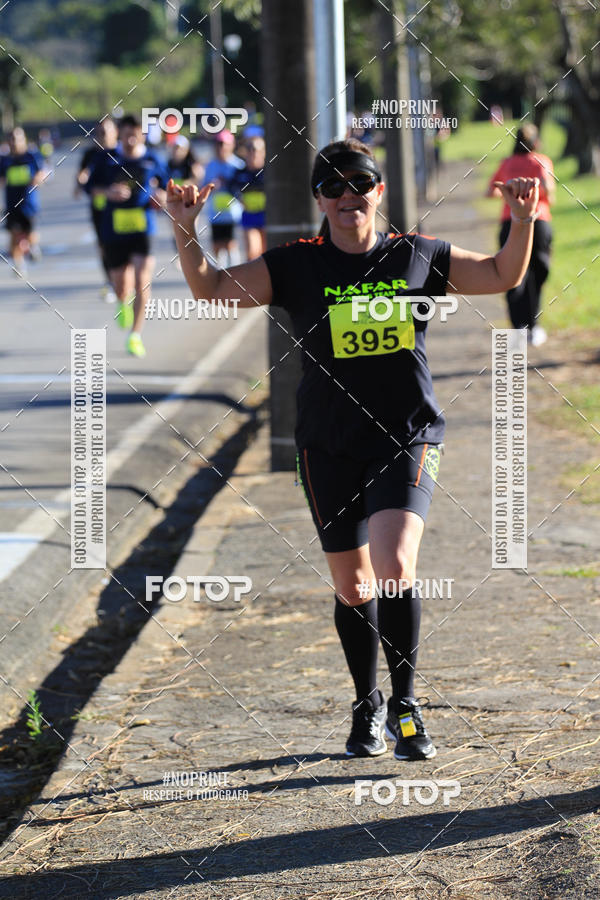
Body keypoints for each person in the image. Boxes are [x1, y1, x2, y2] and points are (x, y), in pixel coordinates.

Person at [168, 138, 539, 761]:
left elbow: (504, 274)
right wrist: (187, 230)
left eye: (359, 184)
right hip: (327, 444)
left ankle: (406, 705)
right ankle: (365, 704)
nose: (348, 197)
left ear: (378, 192)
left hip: (406, 436)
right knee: (354, 587)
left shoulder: (418, 256)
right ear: (319, 198)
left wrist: (523, 222)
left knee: (395, 567)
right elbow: (210, 289)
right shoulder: (294, 265)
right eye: (333, 187)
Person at [86, 114, 168, 357]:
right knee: (122, 285)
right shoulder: (106, 159)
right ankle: (123, 301)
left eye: (136, 132)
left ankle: (135, 335)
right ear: (120, 134)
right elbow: (89, 187)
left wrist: (161, 197)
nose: (131, 137)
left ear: (142, 134)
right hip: (114, 229)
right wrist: (108, 192)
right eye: (127, 132)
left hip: (143, 227)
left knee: (143, 280)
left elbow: (166, 187)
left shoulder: (152, 159)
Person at [487, 124, 554, 346]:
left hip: (510, 224)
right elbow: (549, 193)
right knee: (536, 274)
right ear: (535, 142)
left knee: (511, 275)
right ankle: (534, 327)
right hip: (539, 222)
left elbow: (491, 191)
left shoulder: (506, 163)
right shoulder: (541, 161)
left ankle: (518, 329)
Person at [76, 118, 119, 302]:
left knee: (123, 244)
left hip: (122, 208)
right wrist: (80, 182)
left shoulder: (121, 152)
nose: (101, 136)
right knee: (104, 246)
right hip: (100, 209)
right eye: (98, 133)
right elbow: (82, 176)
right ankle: (110, 281)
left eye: (105, 132)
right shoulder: (90, 155)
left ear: (115, 132)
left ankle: (126, 281)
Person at [0, 127, 46, 274]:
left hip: (29, 204)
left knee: (31, 234)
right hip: (11, 204)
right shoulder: (5, 160)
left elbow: (42, 174)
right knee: (13, 234)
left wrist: (37, 179)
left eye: (17, 139)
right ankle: (19, 266)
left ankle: (32, 247)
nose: (14, 142)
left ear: (23, 140)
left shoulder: (32, 156)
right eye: (11, 139)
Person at [202, 130, 243, 267]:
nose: (221, 148)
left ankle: (235, 272)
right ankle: (221, 274)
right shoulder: (210, 165)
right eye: (218, 144)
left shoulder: (238, 165)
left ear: (231, 145)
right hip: (215, 214)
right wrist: (212, 185)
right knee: (217, 247)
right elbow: (204, 186)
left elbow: (243, 187)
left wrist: (228, 184)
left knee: (231, 244)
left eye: (224, 144)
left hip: (233, 214)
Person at [229, 135, 266, 260]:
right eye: (249, 149)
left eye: (256, 149)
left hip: (266, 217)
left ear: (263, 152)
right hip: (249, 216)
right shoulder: (240, 173)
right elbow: (231, 188)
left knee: (267, 253)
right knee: (252, 252)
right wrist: (239, 199)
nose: (253, 152)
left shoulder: (268, 172)